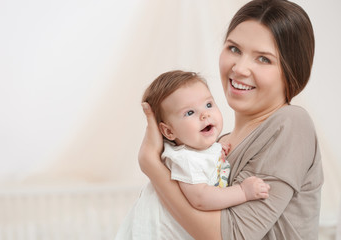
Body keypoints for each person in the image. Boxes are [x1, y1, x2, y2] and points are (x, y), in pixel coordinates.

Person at [138, 0, 323, 239]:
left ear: (291, 72)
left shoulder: (291, 124)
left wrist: (151, 165)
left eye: (263, 59)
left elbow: (233, 235)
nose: (240, 68)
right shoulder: (217, 146)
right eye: (234, 49)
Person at [116, 70, 270, 239]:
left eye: (208, 104)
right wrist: (242, 192)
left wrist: (217, 151)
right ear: (168, 131)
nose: (205, 114)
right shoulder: (185, 160)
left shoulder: (199, 151)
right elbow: (200, 198)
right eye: (190, 113)